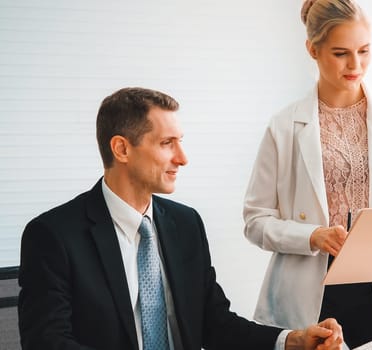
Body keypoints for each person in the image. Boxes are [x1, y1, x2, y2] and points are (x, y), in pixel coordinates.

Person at [18, 87, 344, 350]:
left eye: (181, 142)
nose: (182, 158)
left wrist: (292, 340)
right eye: (166, 143)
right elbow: (47, 342)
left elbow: (215, 324)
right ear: (121, 149)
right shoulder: (53, 235)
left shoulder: (185, 224)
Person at [242, 0, 372, 348]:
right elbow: (255, 221)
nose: (355, 65)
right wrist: (313, 236)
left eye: (364, 51)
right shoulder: (284, 126)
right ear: (312, 49)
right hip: (315, 291)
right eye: (341, 53)